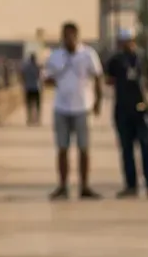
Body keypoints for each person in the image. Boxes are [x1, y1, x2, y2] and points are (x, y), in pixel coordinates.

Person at [42, 21, 103, 200]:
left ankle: (84, 186)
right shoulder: (55, 56)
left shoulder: (88, 54)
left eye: (71, 35)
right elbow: (46, 79)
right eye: (65, 35)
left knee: (84, 148)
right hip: (61, 107)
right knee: (62, 148)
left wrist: (98, 101)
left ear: (77, 36)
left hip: (82, 107)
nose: (68, 39)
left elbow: (98, 77)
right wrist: (55, 77)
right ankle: (63, 185)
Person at [105, 29, 148, 199]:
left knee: (146, 148)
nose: (126, 44)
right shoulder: (115, 61)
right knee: (126, 150)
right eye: (123, 41)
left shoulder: (144, 59)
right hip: (123, 109)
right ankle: (130, 185)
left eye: (129, 41)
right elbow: (109, 80)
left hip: (142, 109)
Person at [21, 52, 43, 124]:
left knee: (29, 104)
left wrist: (24, 84)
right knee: (37, 105)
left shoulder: (26, 67)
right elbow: (40, 77)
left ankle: (29, 119)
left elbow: (22, 76)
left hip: (28, 87)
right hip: (36, 88)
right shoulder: (38, 66)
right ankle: (37, 120)